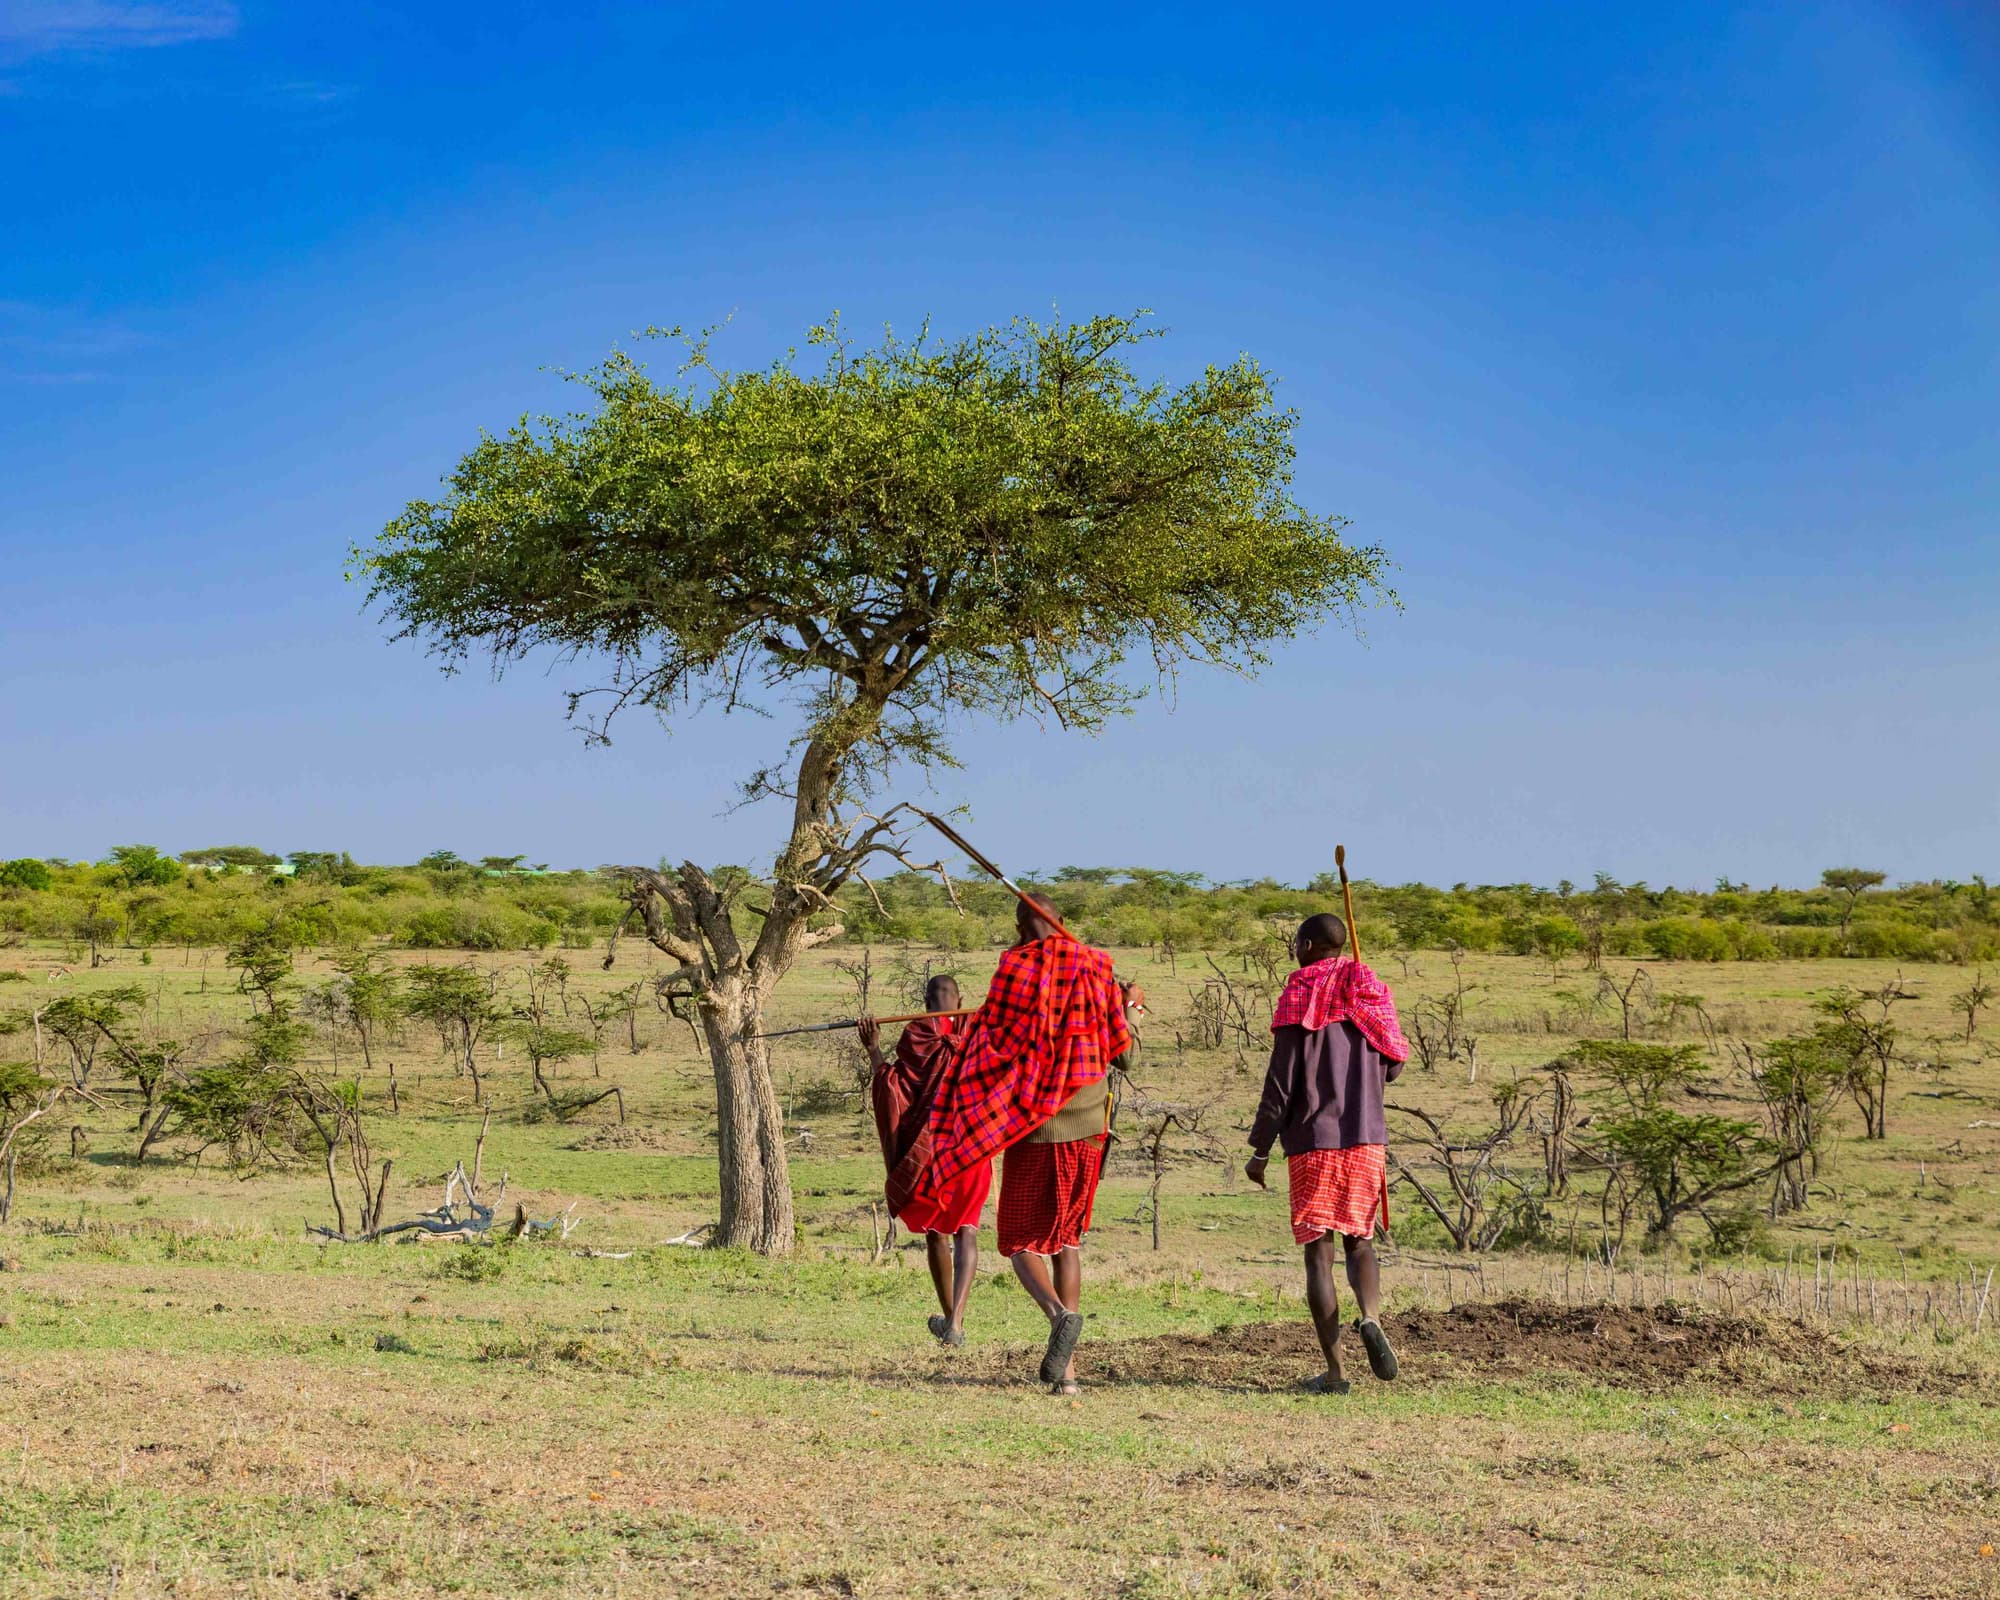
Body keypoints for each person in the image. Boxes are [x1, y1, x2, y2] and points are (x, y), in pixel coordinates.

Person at [900, 893, 1144, 1395]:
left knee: (1017, 1241)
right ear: (1063, 922)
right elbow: (1127, 1058)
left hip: (1034, 1126)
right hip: (1090, 1124)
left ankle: (1058, 1317)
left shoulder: (1013, 970)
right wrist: (1131, 1008)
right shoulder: (1095, 967)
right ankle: (1067, 1376)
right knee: (1067, 1241)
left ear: (1020, 925)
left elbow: (990, 1043)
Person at [1245, 912, 1410, 1394]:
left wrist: (1260, 1148)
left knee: (1319, 1255)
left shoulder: (1301, 994)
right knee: (1360, 1241)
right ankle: (1371, 1316)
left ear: (1311, 944)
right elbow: (1394, 1067)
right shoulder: (1370, 994)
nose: (1295, 949)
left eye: (1298, 941)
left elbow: (1281, 1082)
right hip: (1366, 1137)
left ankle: (1336, 1372)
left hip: (1313, 1141)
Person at [859, 975, 987, 1347]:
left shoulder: (917, 1033)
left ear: (926, 1002)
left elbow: (891, 1088)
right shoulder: (979, 1030)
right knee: (967, 1229)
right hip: (972, 1147)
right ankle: (956, 1322)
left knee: (936, 1231)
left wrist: (873, 1050)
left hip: (931, 1151)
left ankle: (951, 1319)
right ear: (959, 999)